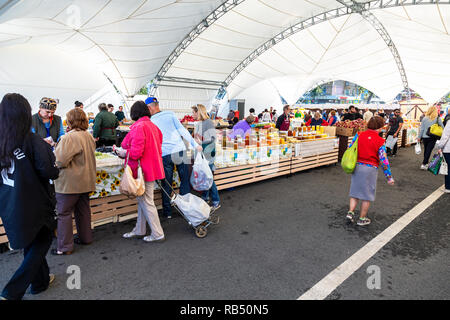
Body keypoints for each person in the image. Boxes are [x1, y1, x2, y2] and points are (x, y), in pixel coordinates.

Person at [0, 93, 60, 300]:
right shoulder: (33, 141)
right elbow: (50, 172)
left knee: (31, 243)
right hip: (35, 203)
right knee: (41, 242)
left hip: (9, 204)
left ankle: (40, 282)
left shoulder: (2, 140)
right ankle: (11, 291)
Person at [146, 97, 202, 219]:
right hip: (180, 151)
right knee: (185, 180)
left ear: (150, 107)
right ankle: (185, 209)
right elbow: (183, 131)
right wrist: (195, 145)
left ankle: (167, 212)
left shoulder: (150, 121)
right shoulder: (170, 114)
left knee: (166, 183)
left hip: (165, 154)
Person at [52, 108, 96, 255]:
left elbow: (60, 161)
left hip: (69, 184)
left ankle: (65, 247)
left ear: (70, 121)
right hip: (86, 181)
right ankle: (86, 238)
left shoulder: (68, 138)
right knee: (83, 211)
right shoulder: (88, 136)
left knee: (64, 214)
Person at [121, 101, 166, 242]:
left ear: (134, 113)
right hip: (152, 169)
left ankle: (158, 234)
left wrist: (123, 152)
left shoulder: (139, 127)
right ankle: (140, 229)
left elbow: (135, 153)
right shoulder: (153, 126)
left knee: (146, 201)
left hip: (142, 170)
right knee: (144, 201)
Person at [346, 116, 395, 226]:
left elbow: (350, 147)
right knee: (366, 195)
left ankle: (350, 212)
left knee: (355, 191)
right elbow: (384, 160)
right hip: (370, 169)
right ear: (380, 127)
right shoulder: (380, 141)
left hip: (357, 166)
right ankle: (362, 218)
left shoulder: (359, 135)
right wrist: (389, 177)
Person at [192, 104, 221, 210]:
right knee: (205, 175)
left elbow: (213, 138)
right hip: (203, 152)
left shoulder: (207, 122)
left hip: (208, 153)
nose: (192, 114)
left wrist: (201, 142)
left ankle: (216, 200)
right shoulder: (199, 123)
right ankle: (205, 197)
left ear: (198, 112)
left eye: (193, 112)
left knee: (208, 176)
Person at [437, 118, 450, 193]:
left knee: (448, 168)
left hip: (448, 149)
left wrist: (440, 146)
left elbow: (445, 136)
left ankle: (448, 187)